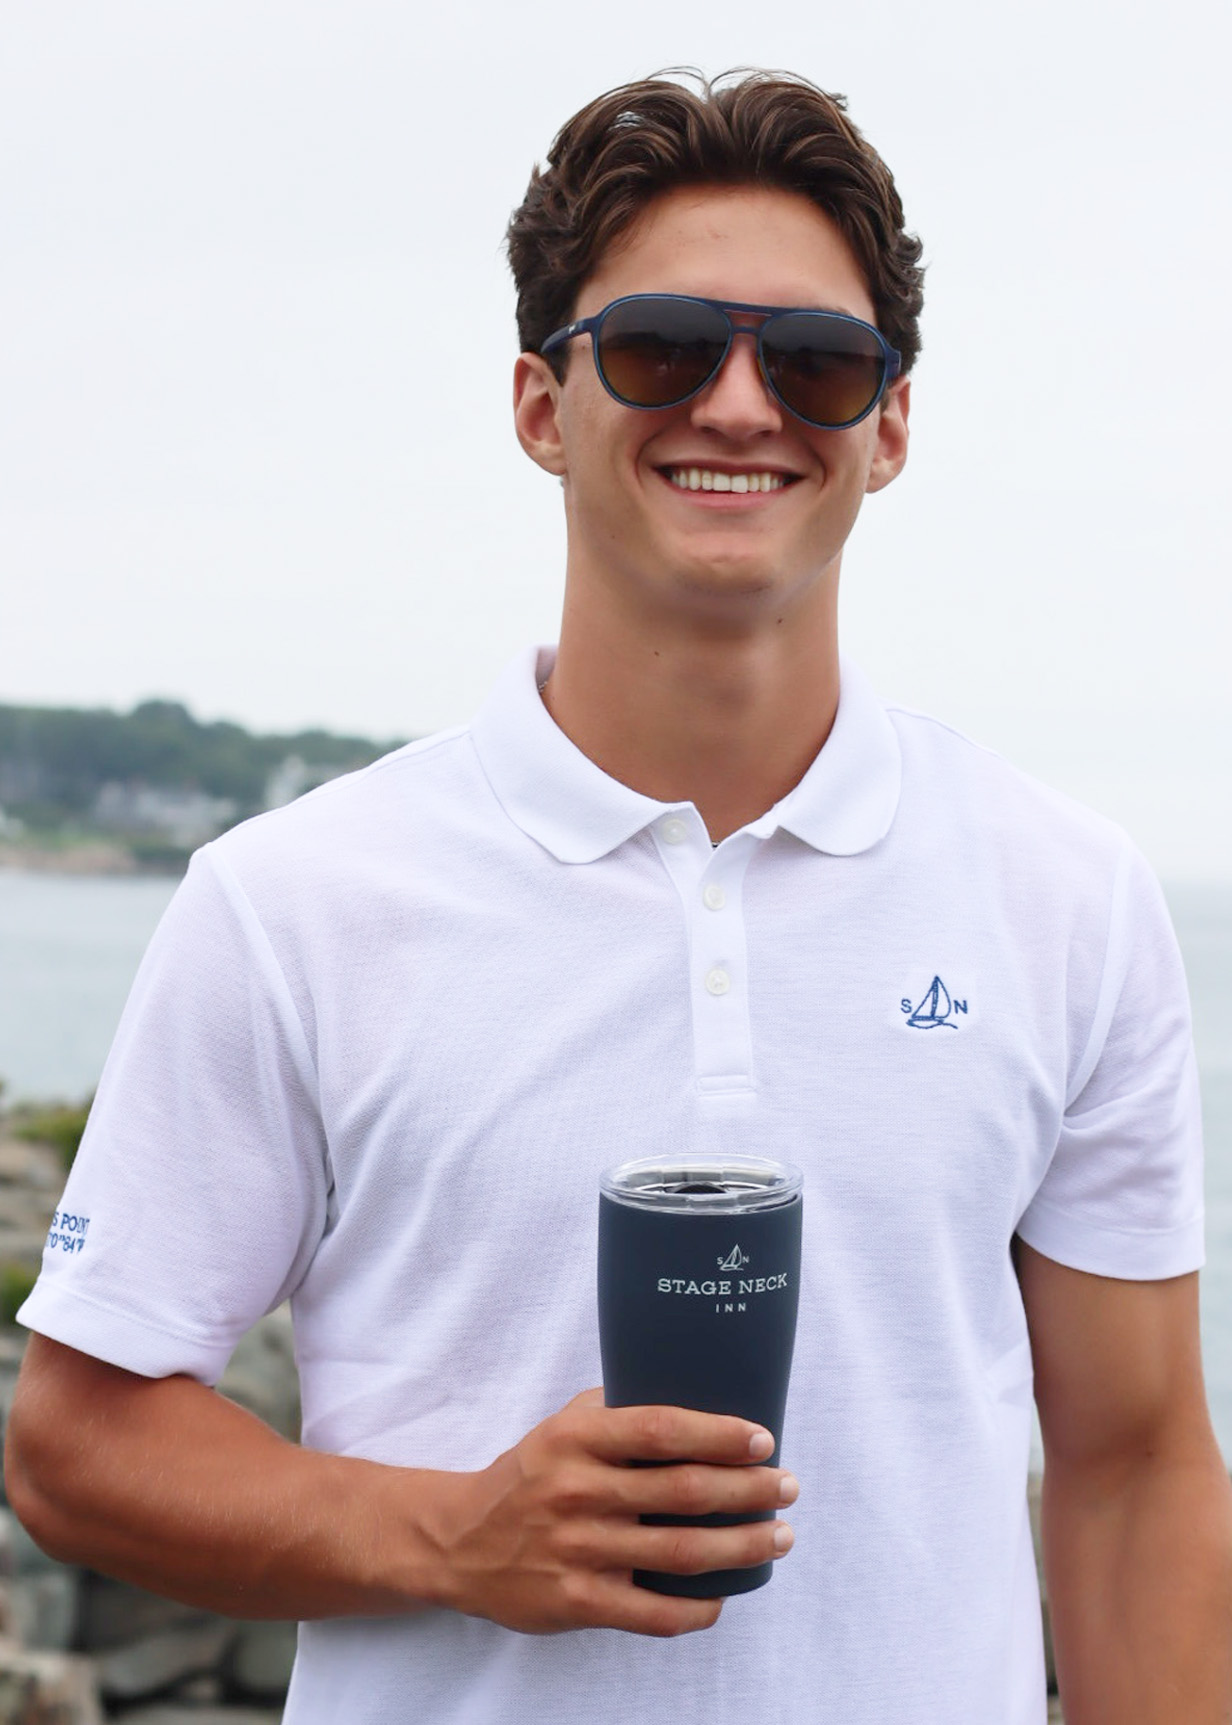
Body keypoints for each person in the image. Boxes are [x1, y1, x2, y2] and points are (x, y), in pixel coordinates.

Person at [5, 69, 1230, 1725]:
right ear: (540, 404)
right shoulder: (292, 905)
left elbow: (1135, 1467)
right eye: (663, 346)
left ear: (890, 424)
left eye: (815, 361)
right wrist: (452, 1533)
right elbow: (73, 1442)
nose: (740, 405)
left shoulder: (1066, 899)